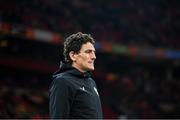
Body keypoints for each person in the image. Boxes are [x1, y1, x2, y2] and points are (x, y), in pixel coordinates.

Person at [49, 32, 103, 119]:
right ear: (73, 55)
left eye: (94, 52)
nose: (94, 57)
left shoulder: (91, 82)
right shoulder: (62, 81)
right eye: (88, 52)